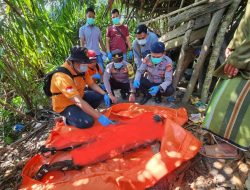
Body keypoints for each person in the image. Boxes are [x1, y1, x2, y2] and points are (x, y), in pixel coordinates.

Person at [202, 0, 250, 156]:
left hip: (245, 58)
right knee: (224, 94)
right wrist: (232, 46)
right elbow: (245, 23)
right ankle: (221, 139)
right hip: (241, 52)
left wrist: (239, 58)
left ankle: (230, 148)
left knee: (239, 103)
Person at [50, 46, 113, 128]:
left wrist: (105, 94)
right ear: (73, 62)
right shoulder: (62, 76)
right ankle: (66, 117)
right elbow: (77, 101)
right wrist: (99, 116)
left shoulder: (81, 69)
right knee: (87, 122)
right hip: (66, 105)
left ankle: (81, 112)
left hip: (80, 96)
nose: (85, 66)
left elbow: (92, 84)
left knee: (99, 96)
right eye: (83, 63)